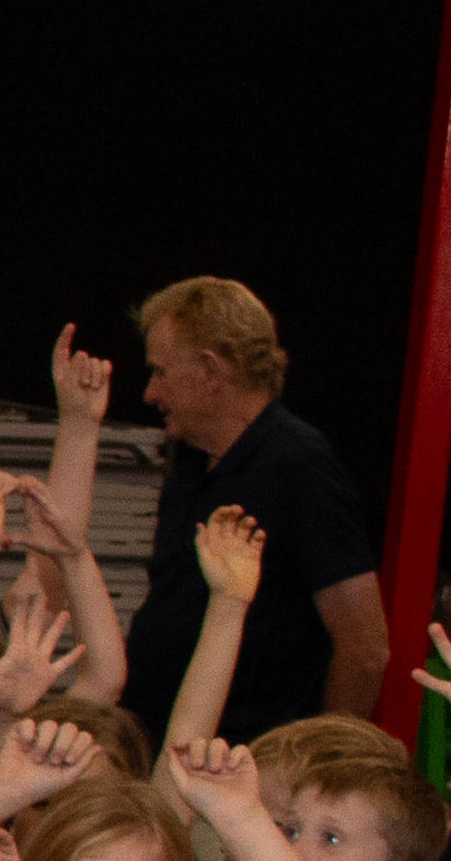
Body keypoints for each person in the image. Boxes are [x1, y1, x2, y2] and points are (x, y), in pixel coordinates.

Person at [117, 279, 380, 734]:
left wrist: (320, 767)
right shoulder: (191, 464)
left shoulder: (298, 464)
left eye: (160, 372)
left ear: (210, 371)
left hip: (246, 766)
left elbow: (366, 648)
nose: (149, 393)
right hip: (162, 750)